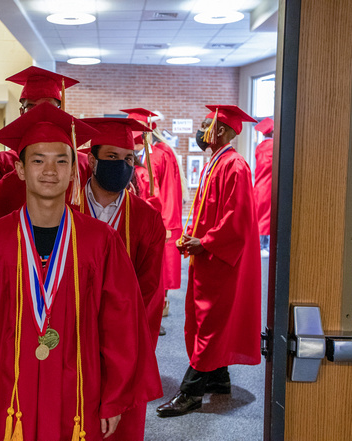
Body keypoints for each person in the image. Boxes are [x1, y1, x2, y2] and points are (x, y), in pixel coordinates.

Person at [0, 103, 162, 441]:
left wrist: (114, 398)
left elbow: (121, 322)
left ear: (75, 170)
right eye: (38, 160)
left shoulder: (101, 241)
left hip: (80, 389)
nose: (50, 171)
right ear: (21, 169)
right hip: (10, 391)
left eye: (61, 160)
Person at [156, 104, 261, 417]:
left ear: (222, 130)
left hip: (222, 261)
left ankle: (190, 393)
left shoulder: (236, 166)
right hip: (207, 258)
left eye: (206, 125)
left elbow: (237, 219)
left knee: (211, 323)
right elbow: (204, 209)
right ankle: (218, 377)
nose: (201, 132)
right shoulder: (215, 163)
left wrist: (207, 241)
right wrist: (190, 236)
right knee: (206, 319)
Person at [73, 117, 166, 441]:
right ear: (92, 159)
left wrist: (115, 335)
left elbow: (150, 290)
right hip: (69, 340)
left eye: (129, 159)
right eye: (113, 158)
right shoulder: (65, 208)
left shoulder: (147, 218)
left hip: (122, 345)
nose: (123, 165)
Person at [0, 66, 89, 221]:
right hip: (17, 241)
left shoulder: (80, 164)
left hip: (72, 240)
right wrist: (23, 168)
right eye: (32, 107)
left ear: (61, 111)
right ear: (21, 112)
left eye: (48, 107)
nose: (40, 114)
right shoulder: (3, 162)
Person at [122, 108, 184, 318]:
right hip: (133, 222)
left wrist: (165, 226)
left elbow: (166, 194)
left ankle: (155, 312)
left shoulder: (159, 155)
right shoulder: (132, 155)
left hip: (152, 222)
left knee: (153, 273)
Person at [253, 117, 274, 257]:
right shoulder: (275, 147)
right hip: (269, 186)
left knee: (259, 215)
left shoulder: (259, 147)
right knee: (268, 216)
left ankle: (259, 245)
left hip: (258, 186)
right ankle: (265, 245)